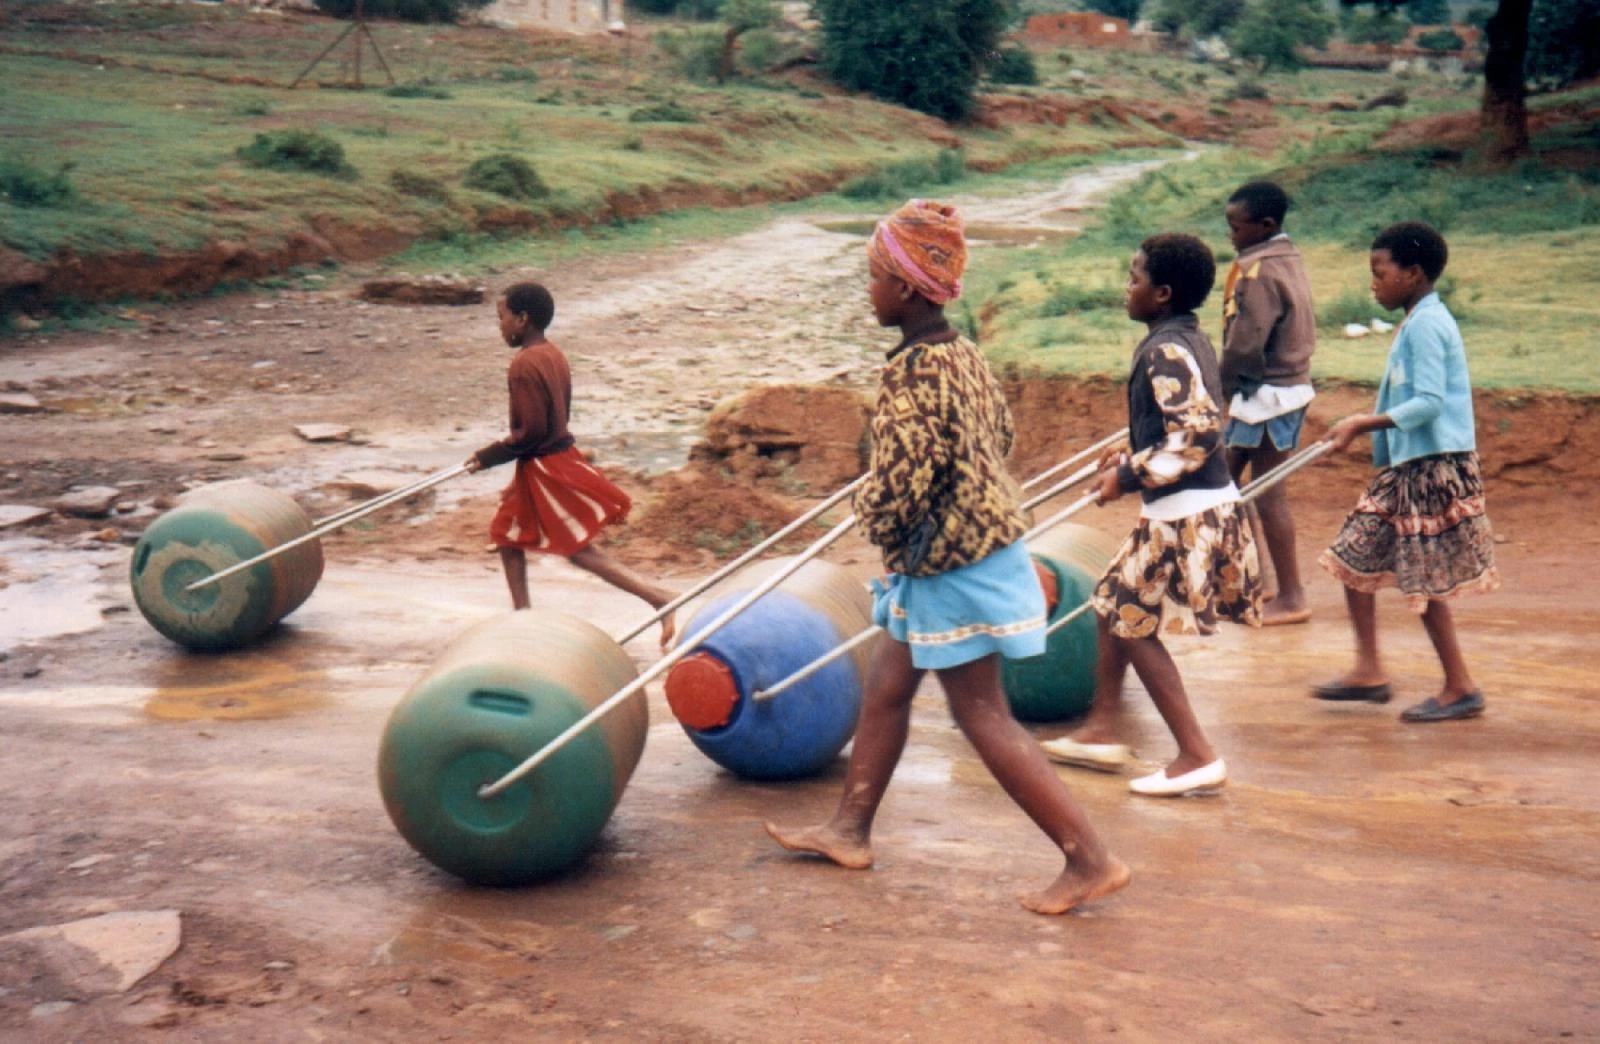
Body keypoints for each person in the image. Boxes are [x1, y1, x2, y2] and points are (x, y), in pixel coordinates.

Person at [765, 200, 1128, 916]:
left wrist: (869, 518)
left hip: (952, 563)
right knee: (888, 687)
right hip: (973, 546)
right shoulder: (962, 355)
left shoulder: (911, 375)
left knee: (982, 713)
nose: (867, 290)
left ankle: (1090, 858)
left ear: (904, 288)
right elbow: (1004, 432)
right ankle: (849, 829)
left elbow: (902, 483)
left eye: (873, 278)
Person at [1040, 234, 1263, 794]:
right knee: (1111, 600)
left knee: (1129, 619)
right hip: (1188, 506)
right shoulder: (1184, 337)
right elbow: (1179, 423)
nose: (1127, 287)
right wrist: (1131, 453)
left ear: (1161, 293)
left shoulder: (1166, 349)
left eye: (1134, 279)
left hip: (1188, 513)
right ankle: (1101, 729)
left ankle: (1195, 754)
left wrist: (1128, 476)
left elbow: (1198, 434)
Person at [1313, 222, 1499, 722]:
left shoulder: (1427, 325)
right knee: (1354, 555)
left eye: (1381, 272)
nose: (1374, 283)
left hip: (1433, 468)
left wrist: (1362, 422)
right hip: (1406, 467)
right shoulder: (1416, 319)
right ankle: (1369, 670)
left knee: (1426, 578)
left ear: (1412, 274)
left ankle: (1460, 686)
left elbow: (1431, 404)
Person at [464, 282, 676, 647]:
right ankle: (523, 620)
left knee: (577, 550)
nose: (500, 326)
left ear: (522, 319)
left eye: (502, 318)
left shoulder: (523, 365)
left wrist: (488, 457)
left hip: (546, 468)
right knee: (506, 535)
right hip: (551, 460)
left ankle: (659, 597)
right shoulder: (553, 354)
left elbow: (530, 433)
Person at [1220, 180, 1317, 626]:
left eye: (1235, 227)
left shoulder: (1258, 271)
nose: (1230, 235)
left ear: (1265, 226)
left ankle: (1291, 596)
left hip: (1266, 395)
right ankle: (1257, 583)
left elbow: (1246, 342)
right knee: (1224, 483)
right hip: (1276, 390)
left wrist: (1217, 388)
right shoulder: (1285, 257)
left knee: (1265, 493)